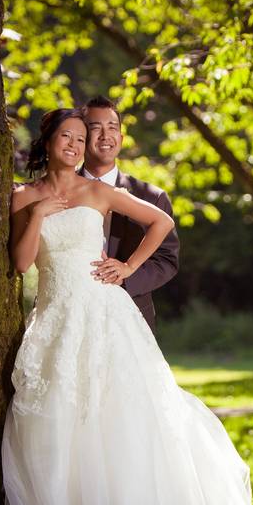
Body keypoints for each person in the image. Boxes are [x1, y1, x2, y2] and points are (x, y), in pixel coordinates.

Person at [1, 107, 253, 505]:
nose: (75, 146)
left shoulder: (97, 191)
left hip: (103, 309)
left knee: (118, 404)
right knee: (60, 402)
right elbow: (22, 263)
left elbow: (162, 221)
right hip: (54, 313)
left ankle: (129, 504)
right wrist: (39, 213)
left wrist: (128, 266)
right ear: (47, 142)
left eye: (81, 139)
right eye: (67, 137)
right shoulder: (22, 197)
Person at [80, 95, 179, 333]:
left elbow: (167, 259)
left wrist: (127, 274)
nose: (105, 136)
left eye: (112, 128)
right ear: (82, 137)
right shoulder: (60, 190)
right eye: (96, 128)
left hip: (131, 317)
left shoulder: (151, 197)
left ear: (121, 139)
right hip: (72, 311)